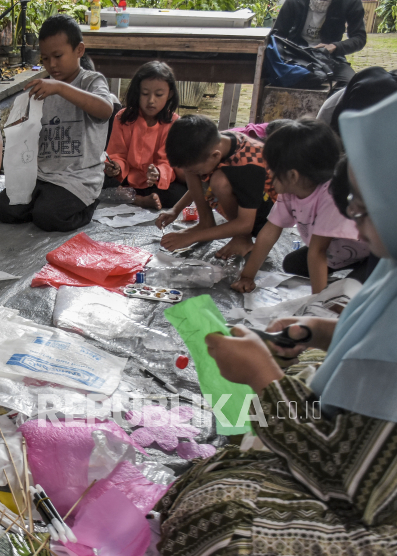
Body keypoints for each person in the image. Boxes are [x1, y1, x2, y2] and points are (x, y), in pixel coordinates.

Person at [155, 91, 397, 556]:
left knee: (217, 523)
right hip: (350, 459)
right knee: (219, 473)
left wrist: (262, 378)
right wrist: (321, 333)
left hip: (368, 504)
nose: (357, 223)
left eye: (366, 211)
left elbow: (349, 482)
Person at [0, 14, 113, 232]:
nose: (52, 64)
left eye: (58, 56)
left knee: (48, 217)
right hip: (42, 175)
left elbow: (106, 109)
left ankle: (88, 203)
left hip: (78, 178)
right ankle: (41, 202)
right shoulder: (44, 87)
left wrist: (60, 88)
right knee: (2, 208)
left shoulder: (90, 81)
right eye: (45, 59)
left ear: (79, 50)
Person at [231, 119, 369, 295]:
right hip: (338, 252)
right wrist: (247, 276)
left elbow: (318, 251)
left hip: (372, 254)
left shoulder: (330, 194)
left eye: (272, 168)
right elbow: (269, 232)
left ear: (293, 175)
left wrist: (317, 303)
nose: (269, 173)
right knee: (292, 265)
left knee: (350, 291)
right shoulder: (290, 188)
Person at [158, 114, 276, 258]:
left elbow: (246, 223)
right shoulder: (214, 143)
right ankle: (206, 222)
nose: (195, 175)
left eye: (197, 172)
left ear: (215, 156)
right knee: (192, 167)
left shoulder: (249, 166)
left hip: (265, 218)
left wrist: (191, 237)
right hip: (245, 202)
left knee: (219, 182)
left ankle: (242, 238)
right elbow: (199, 177)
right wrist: (175, 210)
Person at [103, 61, 186, 210]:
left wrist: (158, 173)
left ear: (170, 94)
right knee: (97, 180)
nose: (151, 100)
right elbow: (116, 154)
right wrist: (116, 167)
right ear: (137, 91)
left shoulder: (174, 123)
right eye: (145, 93)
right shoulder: (122, 117)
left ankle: (132, 198)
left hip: (154, 185)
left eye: (159, 94)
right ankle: (139, 200)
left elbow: (169, 162)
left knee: (179, 192)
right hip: (126, 181)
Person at [271, 0, 366, 88]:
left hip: (331, 58)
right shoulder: (294, 2)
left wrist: (335, 46)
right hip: (296, 56)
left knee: (352, 85)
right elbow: (277, 34)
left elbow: (359, 37)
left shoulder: (350, 2)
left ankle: (332, 106)